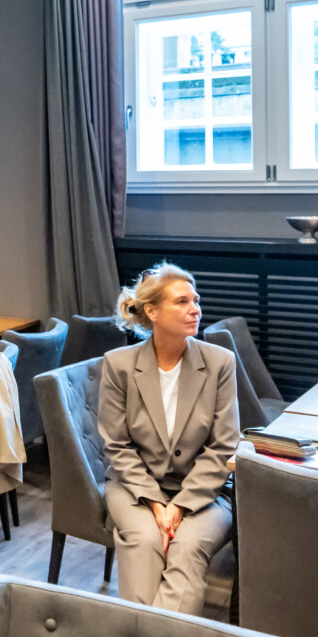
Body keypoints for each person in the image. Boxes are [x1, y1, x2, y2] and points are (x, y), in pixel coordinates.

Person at [98, 262, 239, 615]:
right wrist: (155, 502)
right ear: (152, 312)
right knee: (145, 540)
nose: (195, 309)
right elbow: (117, 446)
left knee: (188, 546)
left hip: (207, 492)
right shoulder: (118, 365)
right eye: (182, 302)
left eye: (196, 300)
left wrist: (179, 506)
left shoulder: (220, 363)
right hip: (134, 488)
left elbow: (223, 446)